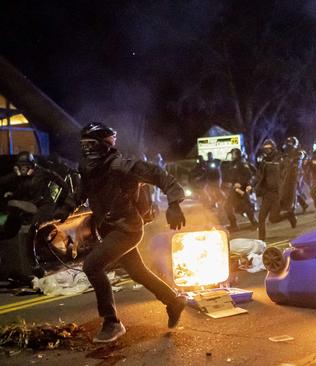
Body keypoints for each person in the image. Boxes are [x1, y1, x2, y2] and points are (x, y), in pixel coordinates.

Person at [53, 122, 188, 343]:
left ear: (105, 145)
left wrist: (174, 204)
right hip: (109, 229)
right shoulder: (88, 169)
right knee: (137, 271)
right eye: (84, 144)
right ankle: (173, 301)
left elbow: (160, 175)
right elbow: (81, 192)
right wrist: (65, 208)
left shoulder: (122, 166)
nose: (87, 149)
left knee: (92, 266)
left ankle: (112, 322)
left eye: (91, 144)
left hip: (127, 229)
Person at [255, 139, 297, 240]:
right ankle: (261, 239)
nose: (267, 151)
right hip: (267, 193)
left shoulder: (280, 158)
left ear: (273, 148)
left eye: (269, 148)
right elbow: (259, 175)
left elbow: (288, 170)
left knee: (273, 218)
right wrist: (255, 186)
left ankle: (289, 215)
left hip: (277, 193)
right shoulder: (263, 160)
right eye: (265, 149)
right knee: (261, 218)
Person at [221, 148, 257, 231]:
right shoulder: (233, 164)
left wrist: (240, 183)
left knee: (247, 207)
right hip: (234, 189)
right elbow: (232, 175)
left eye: (232, 154)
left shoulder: (242, 163)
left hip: (243, 188)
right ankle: (234, 225)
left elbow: (248, 175)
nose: (231, 156)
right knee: (227, 206)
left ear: (237, 155)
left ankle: (255, 223)